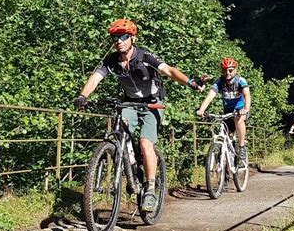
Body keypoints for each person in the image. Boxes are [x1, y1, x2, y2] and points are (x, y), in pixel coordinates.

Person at [73, 18, 208, 212]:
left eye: (123, 37)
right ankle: (130, 168)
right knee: (120, 128)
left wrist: (191, 83)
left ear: (132, 39)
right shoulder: (111, 61)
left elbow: (168, 70)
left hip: (152, 104)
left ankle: (151, 189)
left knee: (145, 143)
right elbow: (95, 78)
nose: (119, 41)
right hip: (129, 103)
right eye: (115, 37)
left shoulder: (145, 56)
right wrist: (83, 95)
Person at [196, 57, 251, 164]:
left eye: (230, 70)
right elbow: (210, 96)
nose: (228, 73)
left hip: (240, 110)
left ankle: (241, 146)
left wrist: (246, 109)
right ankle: (225, 162)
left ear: (235, 70)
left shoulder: (240, 81)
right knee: (226, 134)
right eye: (225, 70)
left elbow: (247, 95)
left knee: (238, 119)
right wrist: (201, 110)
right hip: (227, 111)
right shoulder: (219, 82)